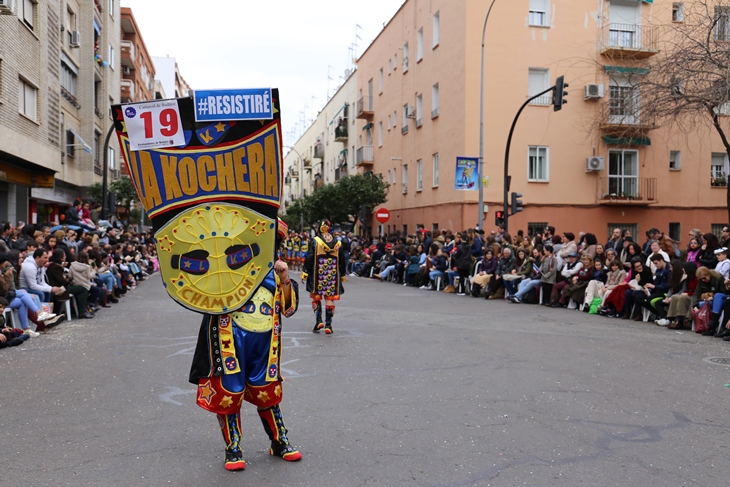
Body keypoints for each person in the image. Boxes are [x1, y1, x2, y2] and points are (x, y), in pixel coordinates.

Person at [189, 221, 302, 471]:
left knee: (267, 392)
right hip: (231, 340)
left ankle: (279, 441)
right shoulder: (226, 268)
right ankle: (233, 448)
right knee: (229, 393)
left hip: (264, 344)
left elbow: (290, 309)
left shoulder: (277, 271)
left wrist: (285, 279)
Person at [302, 220, 347, 334]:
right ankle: (328, 325)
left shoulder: (315, 241)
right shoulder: (338, 243)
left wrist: (305, 271)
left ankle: (318, 321)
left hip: (318, 274)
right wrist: (343, 274)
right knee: (329, 299)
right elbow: (342, 261)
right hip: (332, 275)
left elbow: (310, 257)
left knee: (316, 297)